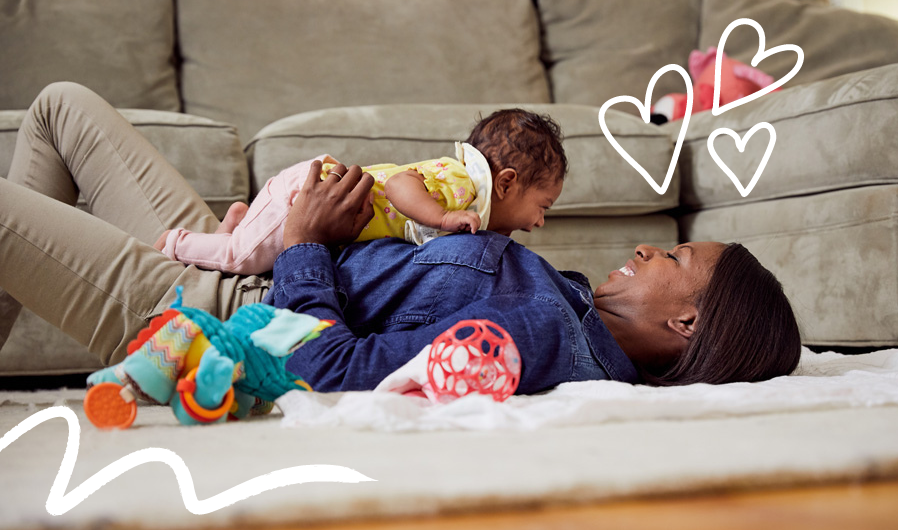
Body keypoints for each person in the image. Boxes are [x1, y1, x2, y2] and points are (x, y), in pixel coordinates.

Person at [0, 82, 801, 395]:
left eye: (680, 258)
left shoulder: (529, 340)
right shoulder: (568, 301)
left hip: (220, 313)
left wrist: (310, 244)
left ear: (688, 323)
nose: (657, 249)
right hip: (251, 257)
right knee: (62, 108)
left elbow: (331, 370)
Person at [154, 109, 567, 275]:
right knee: (240, 260)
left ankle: (238, 225)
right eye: (543, 206)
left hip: (309, 189)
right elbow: (402, 183)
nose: (542, 221)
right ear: (506, 182)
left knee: (251, 245)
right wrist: (441, 218)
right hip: (310, 198)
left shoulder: (469, 193)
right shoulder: (462, 184)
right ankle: (176, 244)